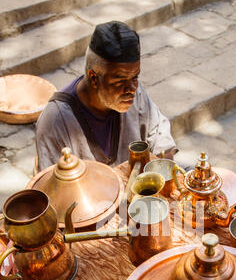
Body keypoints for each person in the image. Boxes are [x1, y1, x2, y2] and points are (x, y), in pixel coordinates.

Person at [35, 20, 177, 172]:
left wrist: (164, 171)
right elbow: (52, 187)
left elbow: (159, 133)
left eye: (135, 77)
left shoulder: (134, 91)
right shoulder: (55, 121)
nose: (132, 88)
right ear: (94, 78)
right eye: (120, 80)